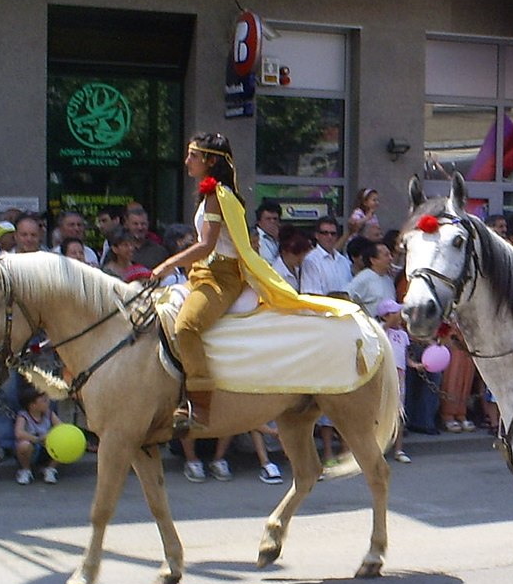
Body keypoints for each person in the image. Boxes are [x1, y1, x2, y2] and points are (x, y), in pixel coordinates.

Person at [153, 133, 343, 436]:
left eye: (193, 155)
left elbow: (205, 246)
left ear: (210, 161)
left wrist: (167, 264)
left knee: (185, 326)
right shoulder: (212, 194)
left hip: (221, 278)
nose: (187, 161)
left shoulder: (218, 195)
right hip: (203, 274)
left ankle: (199, 404)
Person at [376, 298, 411, 462]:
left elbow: (405, 356)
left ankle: (399, 449)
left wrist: (415, 365)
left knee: (399, 412)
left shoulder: (403, 334)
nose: (399, 315)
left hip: (400, 377)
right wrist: (387, 323)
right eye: (395, 312)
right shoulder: (381, 331)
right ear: (386, 316)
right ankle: (378, 449)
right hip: (384, 377)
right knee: (380, 413)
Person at [12, 387, 62, 485]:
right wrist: (37, 439)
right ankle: (25, 470)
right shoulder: (23, 416)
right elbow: (19, 433)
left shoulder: (49, 414)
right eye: (44, 400)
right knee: (24, 445)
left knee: (64, 443)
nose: (47, 402)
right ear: (33, 405)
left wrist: (50, 435)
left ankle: (50, 469)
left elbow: (61, 427)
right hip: (32, 449)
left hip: (47, 448)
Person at [302, 216, 353, 297]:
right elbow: (312, 296)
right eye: (325, 233)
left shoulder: (344, 261)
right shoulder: (311, 260)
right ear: (317, 235)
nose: (329, 237)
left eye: (333, 234)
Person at [347, 238, 397, 318]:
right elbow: (346, 297)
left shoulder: (389, 279)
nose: (391, 258)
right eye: (386, 255)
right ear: (373, 260)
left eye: (390, 255)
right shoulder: (363, 278)